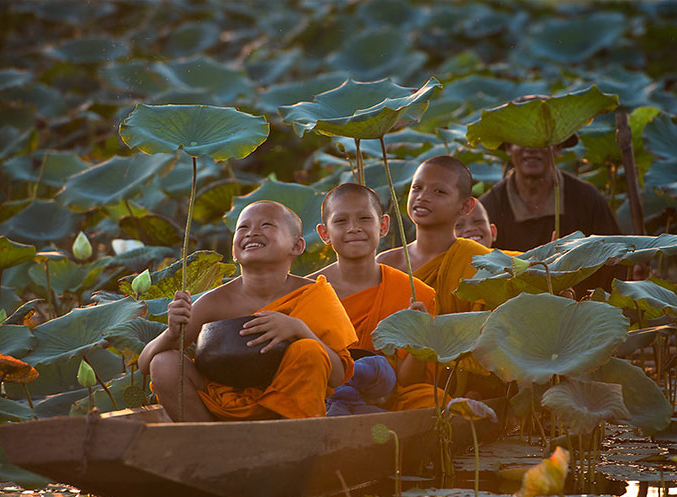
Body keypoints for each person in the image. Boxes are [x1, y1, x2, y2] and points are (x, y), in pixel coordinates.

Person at [137, 200, 357, 421]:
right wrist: (172, 333)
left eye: (266, 225)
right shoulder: (216, 301)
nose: (252, 232)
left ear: (297, 246)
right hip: (221, 409)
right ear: (234, 250)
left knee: (309, 349)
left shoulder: (314, 294)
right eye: (243, 227)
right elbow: (145, 364)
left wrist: (299, 329)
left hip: (290, 414)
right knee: (164, 362)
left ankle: (293, 439)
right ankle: (207, 439)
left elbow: (337, 376)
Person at [310, 183, 438, 411]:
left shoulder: (414, 293)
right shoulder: (309, 290)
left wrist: (420, 337)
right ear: (324, 233)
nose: (353, 228)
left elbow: (409, 381)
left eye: (364, 219)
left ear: (384, 226)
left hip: (389, 400)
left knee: (431, 400)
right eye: (341, 221)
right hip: (324, 396)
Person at [479, 97, 620, 252]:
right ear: (508, 147)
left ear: (558, 147)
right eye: (522, 138)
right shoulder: (488, 208)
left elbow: (615, 256)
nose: (531, 148)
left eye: (540, 139)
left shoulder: (587, 199)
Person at [376, 155, 493, 314]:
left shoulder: (480, 265)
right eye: (417, 187)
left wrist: (429, 326)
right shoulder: (385, 264)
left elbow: (489, 327)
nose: (422, 197)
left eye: (439, 191)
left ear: (465, 206)